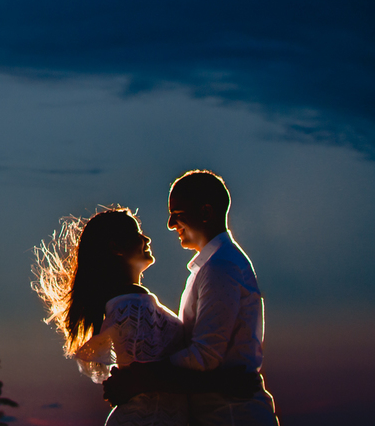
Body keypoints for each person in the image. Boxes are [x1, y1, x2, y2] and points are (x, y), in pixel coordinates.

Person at [103, 170, 278, 425]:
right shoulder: (212, 266)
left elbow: (205, 356)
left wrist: (140, 376)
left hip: (232, 416)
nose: (170, 225)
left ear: (206, 213)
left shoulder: (221, 268)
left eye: (177, 215)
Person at [33, 207, 189, 425]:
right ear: (116, 248)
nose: (146, 238)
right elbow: (148, 378)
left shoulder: (127, 303)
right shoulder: (131, 305)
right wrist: (229, 382)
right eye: (137, 233)